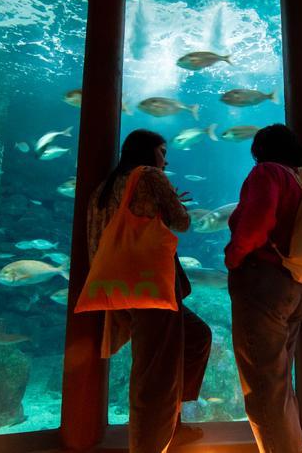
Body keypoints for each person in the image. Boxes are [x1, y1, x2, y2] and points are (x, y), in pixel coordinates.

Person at [87, 129, 212, 453]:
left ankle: (175, 424)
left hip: (119, 287)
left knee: (197, 336)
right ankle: (147, 446)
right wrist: (172, 202)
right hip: (150, 286)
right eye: (162, 151)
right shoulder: (151, 176)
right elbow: (182, 222)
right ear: (148, 153)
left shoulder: (105, 186)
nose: (165, 159)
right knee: (153, 374)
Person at [225, 124, 302, 453]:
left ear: (259, 149)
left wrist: (233, 258)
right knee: (278, 387)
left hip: (263, 284)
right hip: (296, 285)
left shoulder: (267, 173)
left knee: (262, 389)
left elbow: (255, 225)